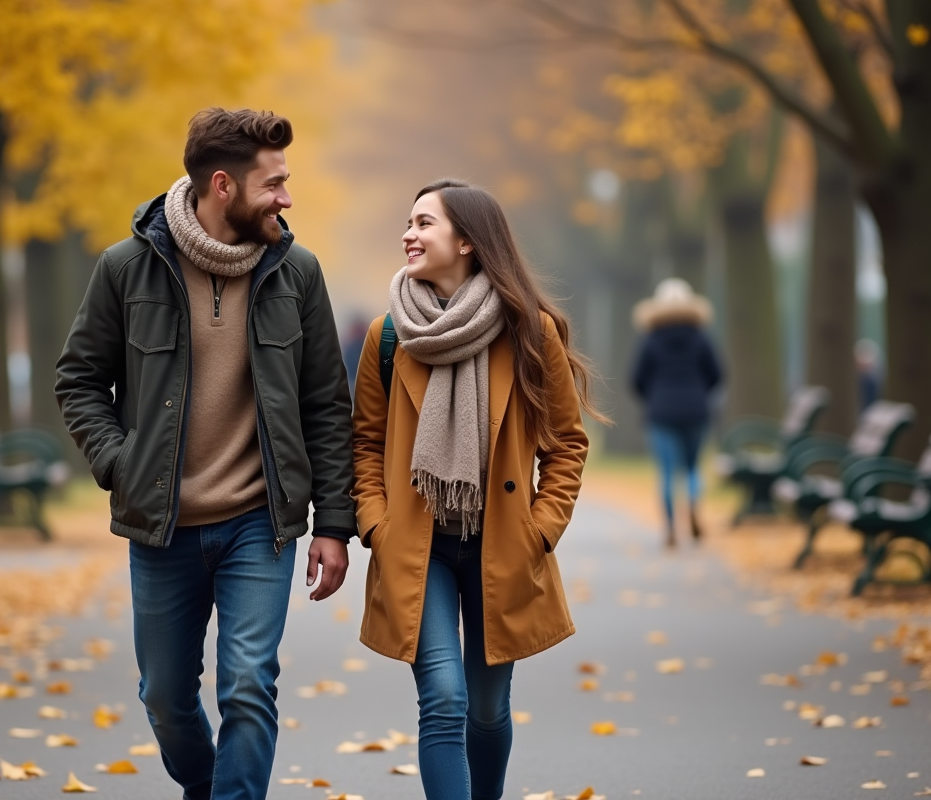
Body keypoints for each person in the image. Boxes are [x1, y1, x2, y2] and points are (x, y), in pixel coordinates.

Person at [55, 108, 356, 800]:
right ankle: (209, 783)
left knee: (249, 681)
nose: (286, 196)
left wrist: (334, 525)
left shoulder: (298, 274)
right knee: (164, 695)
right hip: (163, 525)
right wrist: (118, 462)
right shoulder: (127, 268)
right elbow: (78, 378)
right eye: (273, 183)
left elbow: (325, 406)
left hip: (261, 521)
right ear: (223, 186)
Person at [351, 179, 599, 800]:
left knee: (486, 710)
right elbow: (364, 443)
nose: (409, 234)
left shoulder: (530, 332)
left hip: (502, 544)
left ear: (466, 240)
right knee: (443, 698)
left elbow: (565, 443)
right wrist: (375, 523)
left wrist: (540, 529)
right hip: (418, 545)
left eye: (423, 223)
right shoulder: (388, 336)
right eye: (408, 223)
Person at [630, 277, 722, 547]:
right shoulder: (701, 338)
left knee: (668, 472)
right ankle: (693, 503)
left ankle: (671, 527)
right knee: (693, 468)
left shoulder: (650, 340)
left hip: (661, 412)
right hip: (696, 410)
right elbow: (717, 375)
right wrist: (699, 393)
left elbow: (636, 378)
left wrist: (653, 397)